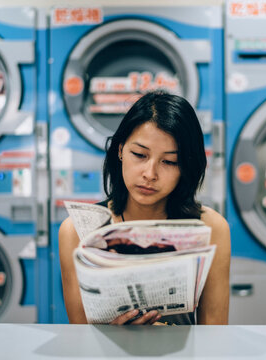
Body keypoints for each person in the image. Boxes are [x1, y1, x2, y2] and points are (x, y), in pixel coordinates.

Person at [59, 91, 230, 325]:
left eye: (169, 161)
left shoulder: (211, 228)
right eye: (139, 155)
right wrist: (115, 338)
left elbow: (215, 335)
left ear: (186, 167)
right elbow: (79, 337)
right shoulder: (77, 231)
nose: (150, 174)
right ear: (120, 150)